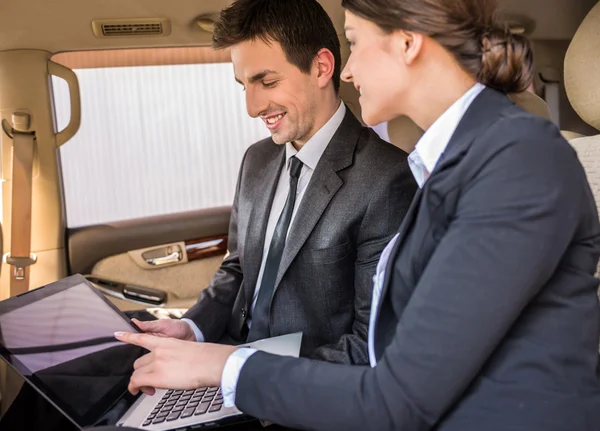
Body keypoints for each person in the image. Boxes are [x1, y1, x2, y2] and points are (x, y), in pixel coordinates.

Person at [116, 0, 600, 429]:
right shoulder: (455, 163)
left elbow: (396, 390)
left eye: (354, 41)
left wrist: (221, 367)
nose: (348, 71)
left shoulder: (514, 160)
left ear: (407, 42)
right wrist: (204, 349)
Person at [132, 0, 415, 365]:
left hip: (295, 388)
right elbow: (238, 267)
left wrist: (231, 371)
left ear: (321, 68)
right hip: (227, 357)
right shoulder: (257, 159)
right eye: (244, 86)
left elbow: (368, 344)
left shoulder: (387, 179)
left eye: (267, 81)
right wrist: (194, 329)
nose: (252, 107)